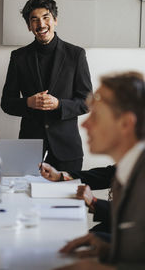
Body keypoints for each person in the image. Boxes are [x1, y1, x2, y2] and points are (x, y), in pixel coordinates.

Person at [54, 71, 145, 270]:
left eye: (96, 115)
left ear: (126, 123)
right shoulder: (129, 168)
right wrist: (110, 249)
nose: (85, 123)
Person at [1, 0, 92, 178]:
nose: (41, 24)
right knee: (25, 202)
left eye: (46, 17)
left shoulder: (76, 54)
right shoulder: (18, 57)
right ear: (29, 26)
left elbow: (87, 102)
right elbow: (6, 103)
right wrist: (28, 102)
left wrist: (59, 105)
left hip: (67, 150)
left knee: (67, 203)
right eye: (34, 19)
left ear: (55, 20)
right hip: (29, 150)